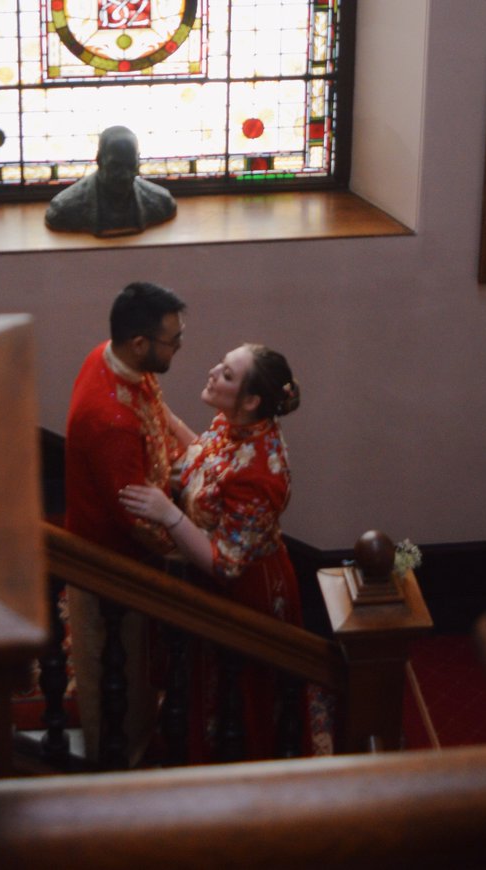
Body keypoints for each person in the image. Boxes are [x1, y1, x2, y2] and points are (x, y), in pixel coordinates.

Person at [119, 342, 307, 762]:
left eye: (226, 374)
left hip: (248, 595)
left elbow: (225, 564)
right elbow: (201, 460)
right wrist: (165, 418)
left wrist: (167, 514)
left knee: (240, 704)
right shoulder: (235, 425)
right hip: (211, 583)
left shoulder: (258, 472)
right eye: (220, 364)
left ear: (253, 400)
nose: (212, 371)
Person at [64, 281, 192, 766]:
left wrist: (194, 452)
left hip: (131, 522)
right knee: (112, 665)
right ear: (139, 344)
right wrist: (189, 545)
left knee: (135, 662)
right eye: (173, 340)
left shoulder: (108, 355)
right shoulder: (111, 421)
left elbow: (157, 412)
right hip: (110, 559)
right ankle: (119, 760)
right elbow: (136, 517)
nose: (178, 347)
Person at [45, 125, 177, 237]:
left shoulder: (162, 202)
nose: (125, 175)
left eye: (130, 165)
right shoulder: (64, 209)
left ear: (138, 161)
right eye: (116, 166)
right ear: (99, 160)